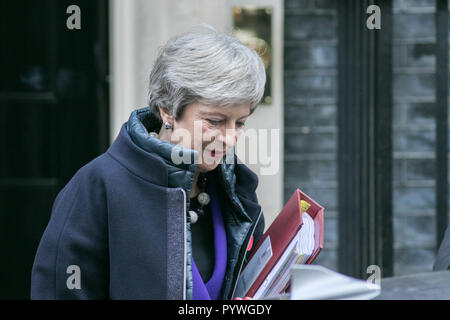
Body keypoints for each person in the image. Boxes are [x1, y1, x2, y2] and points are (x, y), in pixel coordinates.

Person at [30, 26, 266, 300]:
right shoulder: (97, 185)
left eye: (240, 123)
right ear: (167, 110)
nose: (229, 138)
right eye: (215, 121)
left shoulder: (235, 190)